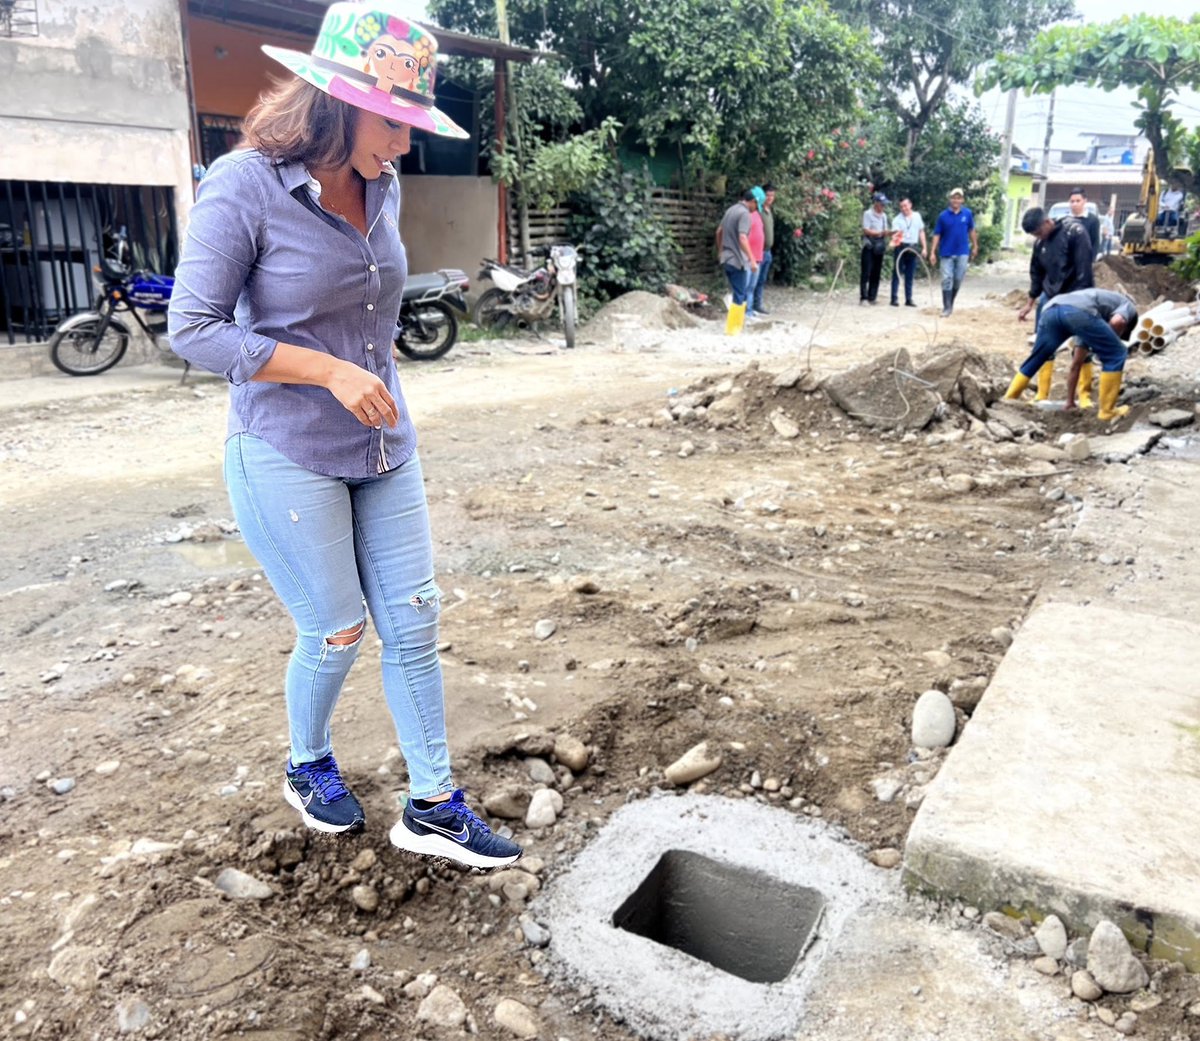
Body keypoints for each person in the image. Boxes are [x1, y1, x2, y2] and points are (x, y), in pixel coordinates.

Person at [167, 1, 522, 870]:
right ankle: (307, 759)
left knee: (414, 618)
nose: (405, 144)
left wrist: (361, 360)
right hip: (287, 449)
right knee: (336, 627)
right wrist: (325, 369)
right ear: (334, 101)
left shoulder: (384, 182)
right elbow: (193, 328)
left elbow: (366, 304)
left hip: (384, 446)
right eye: (395, 123)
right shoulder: (244, 184)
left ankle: (433, 803)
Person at [1003, 287, 1137, 422]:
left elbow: (1076, 364)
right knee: (1117, 353)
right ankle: (1107, 412)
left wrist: (1070, 401)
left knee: (1038, 357)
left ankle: (1008, 399)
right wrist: (1108, 347)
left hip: (1051, 309)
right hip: (1077, 313)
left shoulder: (1093, 318)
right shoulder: (1128, 304)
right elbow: (1117, 322)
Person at [1017, 206, 1095, 404]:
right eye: (1035, 235)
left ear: (1047, 222)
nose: (1039, 237)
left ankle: (1084, 394)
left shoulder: (1074, 233)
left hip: (1077, 294)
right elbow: (1036, 273)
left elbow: (1084, 268)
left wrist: (1083, 300)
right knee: (1043, 344)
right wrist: (1030, 302)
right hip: (1050, 297)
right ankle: (1042, 393)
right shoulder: (1039, 244)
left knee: (1081, 344)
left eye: (1039, 232)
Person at [929, 187, 978, 317]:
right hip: (946, 252)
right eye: (953, 198)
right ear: (950, 199)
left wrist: (975, 246)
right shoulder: (943, 216)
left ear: (962, 200)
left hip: (962, 251)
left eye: (958, 198)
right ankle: (947, 307)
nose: (956, 200)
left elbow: (972, 230)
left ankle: (950, 302)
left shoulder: (967, 214)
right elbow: (937, 234)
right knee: (946, 279)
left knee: (957, 279)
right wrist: (932, 252)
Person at [716, 189, 759, 334]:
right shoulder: (744, 214)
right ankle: (733, 329)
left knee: (737, 292)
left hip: (726, 258)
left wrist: (720, 251)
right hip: (737, 260)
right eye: (756, 206)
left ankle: (734, 326)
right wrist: (752, 260)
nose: (755, 210)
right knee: (740, 294)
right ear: (753, 201)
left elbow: (719, 231)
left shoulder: (730, 210)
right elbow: (742, 238)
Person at [889, 196, 926, 307]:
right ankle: (894, 298)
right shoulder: (897, 219)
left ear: (910, 205)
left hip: (913, 247)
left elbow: (921, 231)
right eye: (901, 206)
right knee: (897, 272)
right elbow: (895, 235)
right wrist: (894, 240)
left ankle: (909, 299)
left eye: (905, 205)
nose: (904, 208)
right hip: (901, 246)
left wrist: (924, 247)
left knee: (910, 274)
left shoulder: (917, 216)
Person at [860, 191, 890, 305]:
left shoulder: (884, 216)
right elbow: (866, 230)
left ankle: (872, 296)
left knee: (876, 272)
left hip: (879, 246)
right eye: (882, 204)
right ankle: (864, 297)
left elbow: (885, 230)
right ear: (876, 203)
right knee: (866, 271)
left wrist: (888, 233)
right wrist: (879, 233)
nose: (883, 206)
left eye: (884, 204)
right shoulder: (868, 214)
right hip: (869, 245)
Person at [751, 182, 776, 316]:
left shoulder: (769, 211)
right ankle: (749, 306)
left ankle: (757, 305)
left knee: (761, 280)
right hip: (758, 251)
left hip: (767, 251)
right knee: (753, 281)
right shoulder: (758, 210)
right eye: (768, 195)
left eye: (772, 195)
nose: (770, 198)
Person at [745, 186, 766, 322]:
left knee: (752, 286)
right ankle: (745, 312)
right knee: (745, 286)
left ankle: (750, 310)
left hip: (757, 256)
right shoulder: (745, 215)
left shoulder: (757, 214)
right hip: (748, 258)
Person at [1068, 187, 1101, 257]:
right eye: (1072, 201)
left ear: (1085, 201)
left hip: (1084, 261)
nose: (1074, 204)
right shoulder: (1065, 220)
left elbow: (1095, 244)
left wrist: (1089, 261)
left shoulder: (1093, 220)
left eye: (1078, 201)